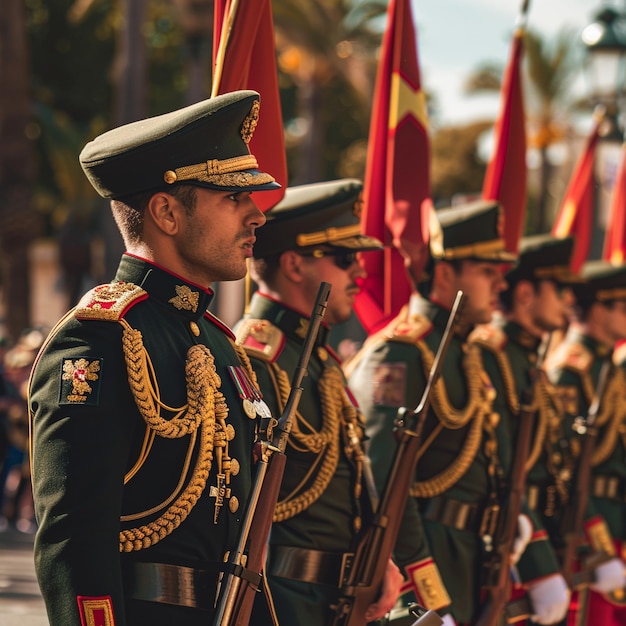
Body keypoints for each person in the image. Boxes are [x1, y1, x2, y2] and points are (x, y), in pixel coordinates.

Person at [28, 90, 281, 626]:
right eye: (233, 198)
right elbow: (74, 542)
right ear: (166, 211)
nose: (257, 215)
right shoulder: (97, 340)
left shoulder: (219, 344)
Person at [346, 201, 570, 626]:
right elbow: (382, 481)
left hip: (470, 557)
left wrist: (533, 551)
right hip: (427, 552)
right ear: (446, 273)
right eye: (487, 272)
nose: (499, 285)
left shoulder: (466, 350)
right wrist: (419, 595)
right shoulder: (400, 354)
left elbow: (502, 464)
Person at [235, 179, 403, 625]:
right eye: (346, 259)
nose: (360, 275)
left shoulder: (318, 360)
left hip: (336, 602)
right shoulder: (254, 361)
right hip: (280, 605)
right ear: (293, 264)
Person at [470, 234, 584, 624]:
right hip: (510, 540)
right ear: (524, 293)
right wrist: (538, 562)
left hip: (537, 531)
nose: (569, 300)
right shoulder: (492, 354)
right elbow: (502, 467)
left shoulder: (526, 359)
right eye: (560, 288)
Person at [546, 260, 626, 626]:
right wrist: (596, 540)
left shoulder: (608, 364)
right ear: (597, 309)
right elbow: (563, 467)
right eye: (622, 307)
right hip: (587, 528)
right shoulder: (570, 370)